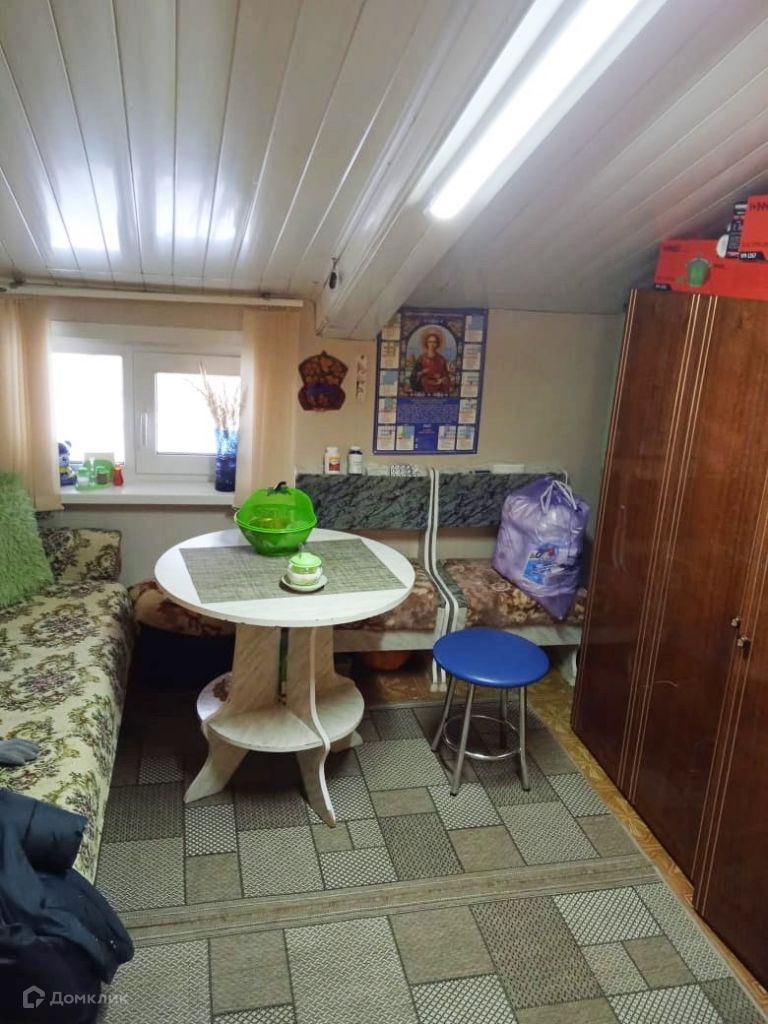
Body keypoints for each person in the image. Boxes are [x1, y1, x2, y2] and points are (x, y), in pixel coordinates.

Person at [410, 329, 451, 395]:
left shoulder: (441, 359)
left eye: (434, 342)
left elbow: (446, 377)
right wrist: (422, 372)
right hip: (423, 388)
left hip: (438, 389)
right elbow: (413, 376)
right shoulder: (421, 358)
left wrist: (442, 380)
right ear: (426, 343)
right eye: (430, 342)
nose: (432, 344)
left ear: (437, 344)